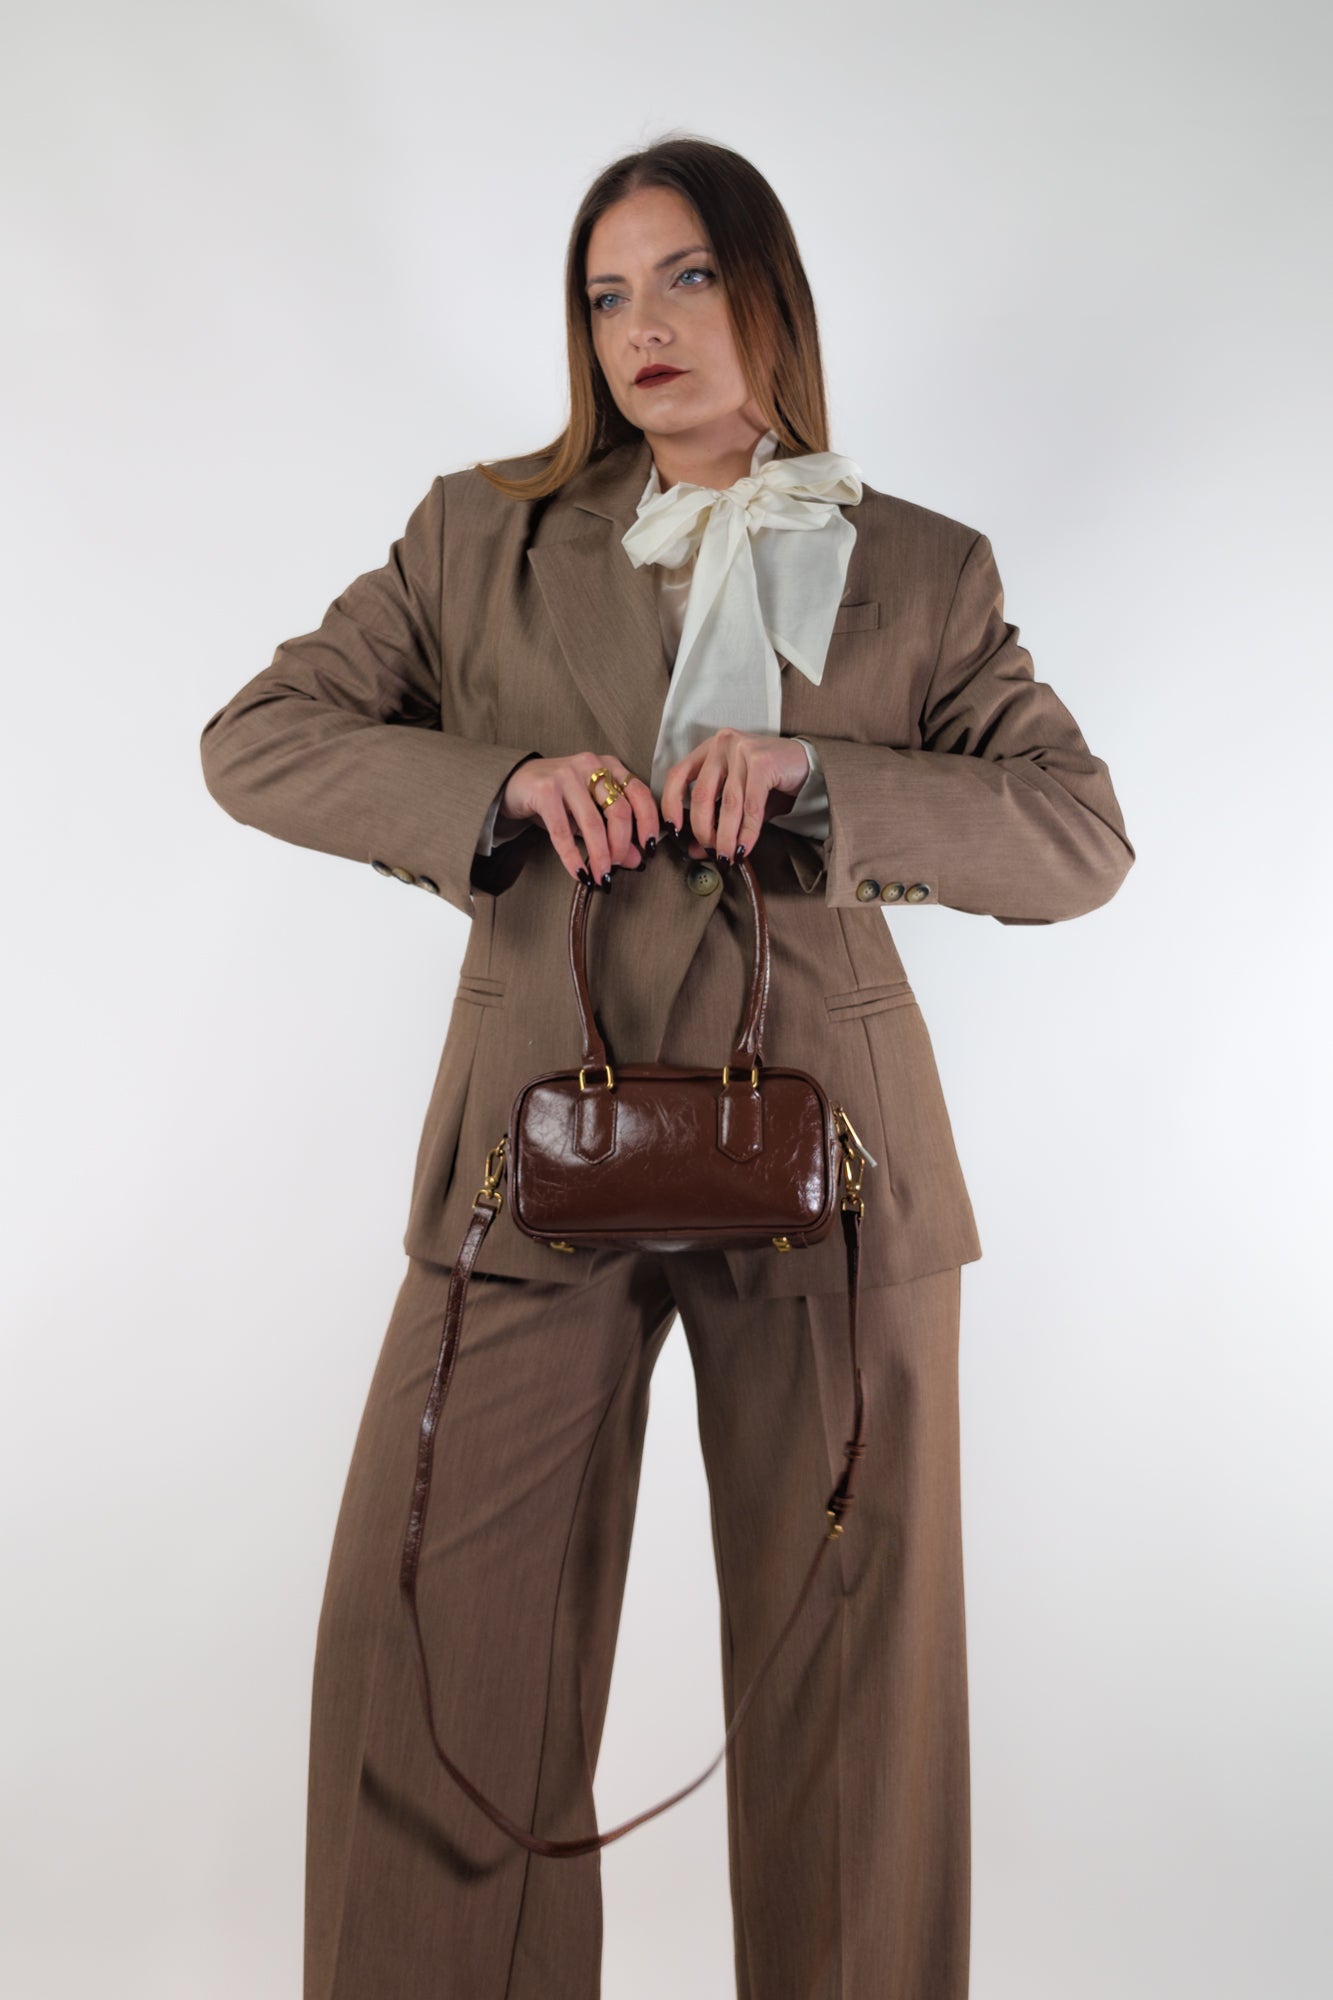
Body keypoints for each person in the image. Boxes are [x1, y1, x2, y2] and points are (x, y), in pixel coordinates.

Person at [199, 135, 1134, 2000]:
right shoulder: (477, 536)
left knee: (851, 1688)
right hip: (528, 1155)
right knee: (433, 1644)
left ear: (767, 293)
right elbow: (262, 737)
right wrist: (499, 785)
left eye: (685, 277)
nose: (642, 325)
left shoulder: (918, 567)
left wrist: (825, 784)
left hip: (834, 1179)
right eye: (606, 293)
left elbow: (1076, 837)